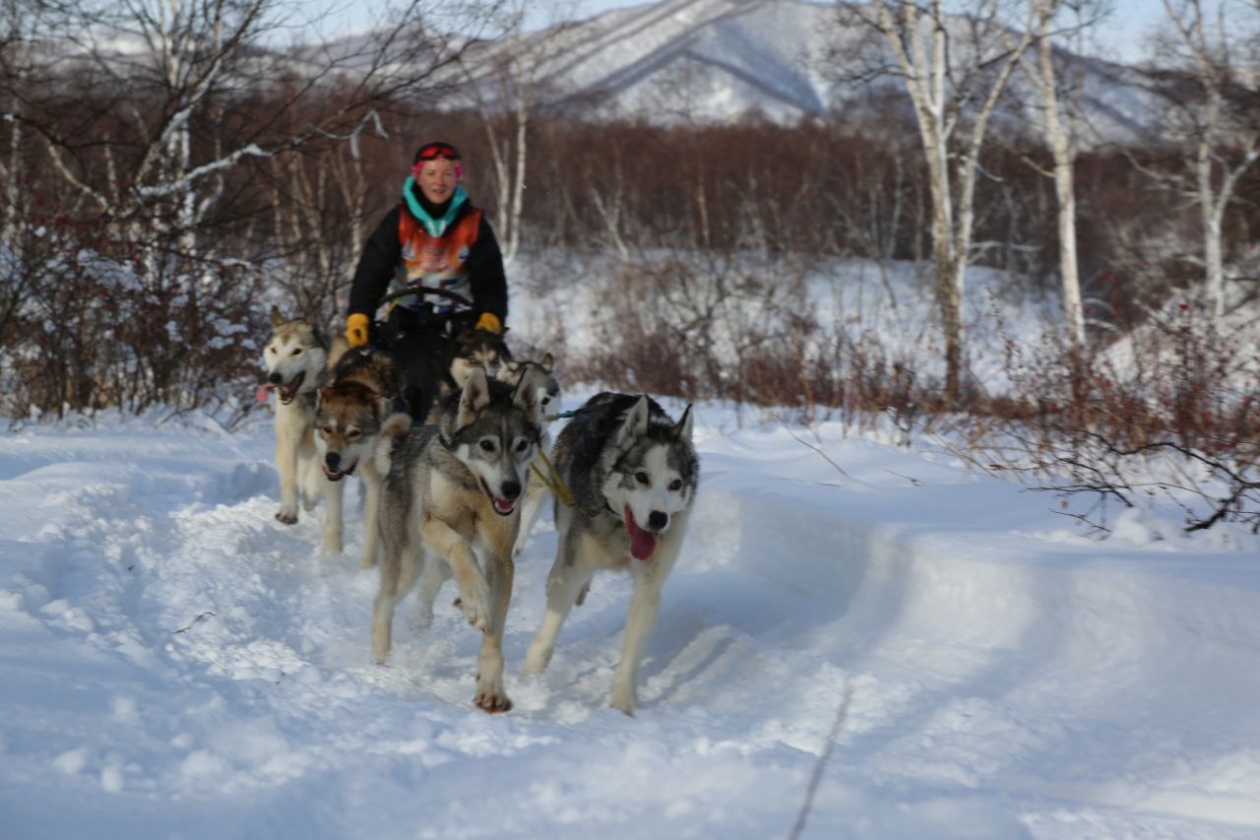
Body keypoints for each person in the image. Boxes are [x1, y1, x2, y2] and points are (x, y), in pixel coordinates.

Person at [344, 140, 508, 420]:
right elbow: (372, 270)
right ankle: (410, 436)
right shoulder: (398, 220)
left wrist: (491, 315)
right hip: (408, 319)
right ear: (417, 176)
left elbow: (489, 277)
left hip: (462, 324)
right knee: (412, 374)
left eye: (447, 173)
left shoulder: (473, 223)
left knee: (500, 374)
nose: (439, 181)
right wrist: (359, 314)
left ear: (458, 176)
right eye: (431, 173)